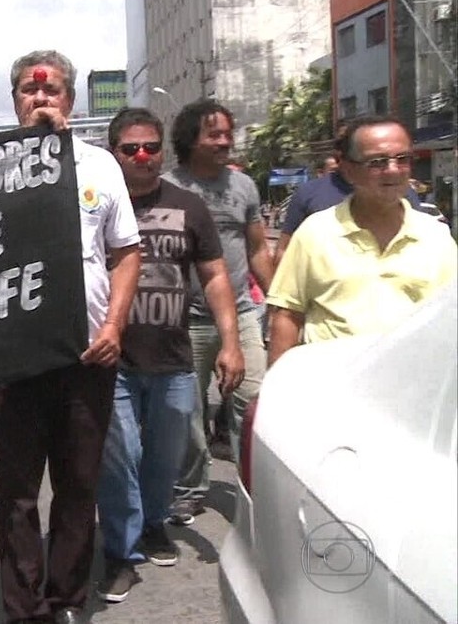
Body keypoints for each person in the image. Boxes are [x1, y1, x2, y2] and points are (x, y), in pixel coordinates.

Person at [0, 50, 141, 624]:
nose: (41, 99)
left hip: (87, 353)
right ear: (16, 101)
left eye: (52, 92)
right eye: (30, 90)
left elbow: (126, 254)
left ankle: (68, 598)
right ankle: (25, 609)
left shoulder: (101, 167)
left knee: (78, 487)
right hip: (15, 358)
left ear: (69, 102)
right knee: (18, 493)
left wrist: (114, 326)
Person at [94, 108, 244, 603]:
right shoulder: (96, 206)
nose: (141, 155)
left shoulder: (189, 206)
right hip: (110, 361)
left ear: (162, 150)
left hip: (173, 359)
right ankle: (120, 552)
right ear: (113, 153)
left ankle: (155, 523)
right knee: (121, 457)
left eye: (150, 147)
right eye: (130, 147)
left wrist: (231, 341)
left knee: (164, 457)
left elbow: (216, 276)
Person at [267, 115, 457, 366]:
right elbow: (288, 315)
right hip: (336, 388)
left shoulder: (435, 236)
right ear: (348, 169)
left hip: (413, 390)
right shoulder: (316, 233)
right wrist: (278, 394)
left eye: (402, 159)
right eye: (377, 162)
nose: (392, 170)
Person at [162, 99, 271, 526]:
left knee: (253, 402)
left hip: (242, 313)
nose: (225, 141)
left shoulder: (243, 187)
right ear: (191, 139)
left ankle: (255, 487)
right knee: (187, 412)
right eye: (215, 134)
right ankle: (189, 489)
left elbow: (257, 248)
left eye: (228, 133)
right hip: (184, 319)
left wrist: (279, 300)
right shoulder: (168, 186)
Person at [274, 127, 422, 268]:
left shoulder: (402, 193)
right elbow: (285, 251)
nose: (392, 168)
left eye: (402, 159)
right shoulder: (309, 196)